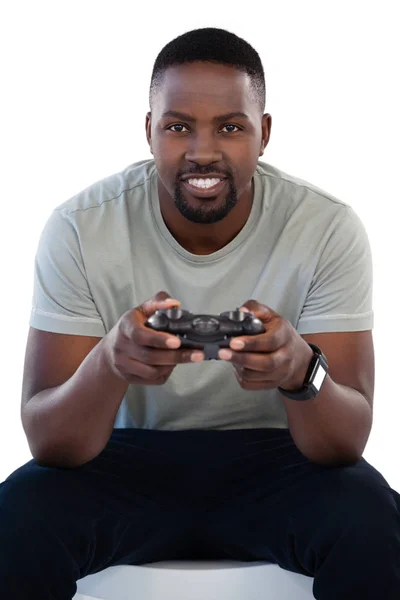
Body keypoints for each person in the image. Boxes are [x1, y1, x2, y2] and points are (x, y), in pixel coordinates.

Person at [0, 26, 399, 600]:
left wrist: (299, 371)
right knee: (16, 514)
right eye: (178, 126)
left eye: (230, 127)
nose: (202, 151)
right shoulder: (80, 226)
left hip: (277, 458)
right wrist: (110, 363)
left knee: (371, 516)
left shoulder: (326, 227)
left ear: (263, 134)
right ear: (149, 131)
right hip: (125, 458)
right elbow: (49, 442)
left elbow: (345, 443)